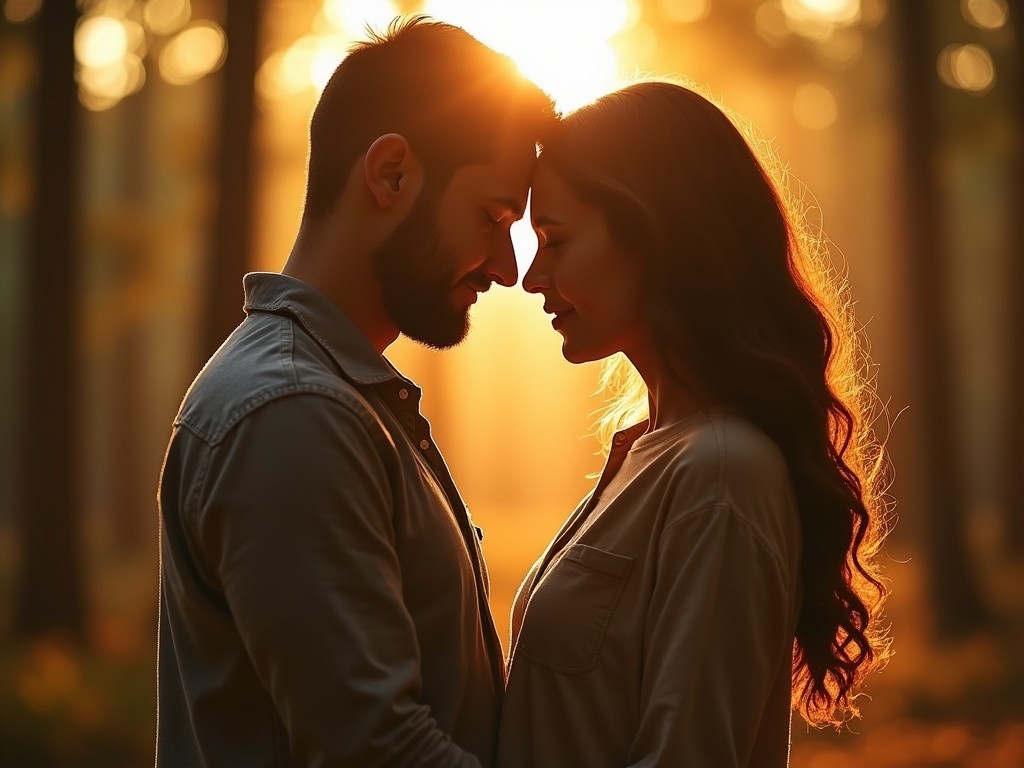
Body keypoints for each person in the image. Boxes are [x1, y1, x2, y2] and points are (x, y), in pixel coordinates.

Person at [156, 16, 555, 768]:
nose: (505, 268)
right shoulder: (293, 413)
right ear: (392, 174)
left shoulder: (339, 400)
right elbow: (378, 751)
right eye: (493, 217)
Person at [497, 80, 891, 767]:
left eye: (556, 241)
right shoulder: (652, 451)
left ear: (653, 234)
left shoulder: (721, 473)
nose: (533, 278)